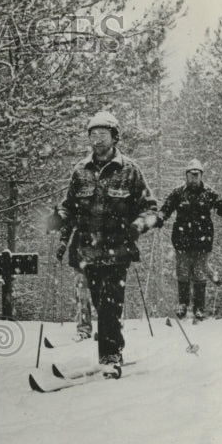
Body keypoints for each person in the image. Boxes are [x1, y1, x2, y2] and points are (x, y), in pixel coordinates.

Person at [56, 111, 158, 378]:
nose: (98, 140)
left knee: (111, 305)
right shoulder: (80, 170)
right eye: (93, 134)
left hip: (118, 251)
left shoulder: (130, 170)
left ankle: (110, 357)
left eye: (103, 134)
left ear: (115, 137)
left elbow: (151, 210)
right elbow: (69, 206)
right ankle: (113, 345)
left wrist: (137, 226)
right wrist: (58, 220)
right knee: (100, 305)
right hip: (87, 251)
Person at [156, 159, 222, 320]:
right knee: (182, 272)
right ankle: (183, 304)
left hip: (202, 240)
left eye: (197, 175)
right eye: (191, 175)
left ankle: (199, 307)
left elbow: (221, 208)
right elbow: (166, 208)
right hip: (182, 239)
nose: (194, 178)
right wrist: (161, 217)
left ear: (201, 176)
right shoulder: (178, 193)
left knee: (199, 273)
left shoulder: (209, 193)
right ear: (186, 175)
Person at [55, 229, 93, 341]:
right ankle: (84, 328)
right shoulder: (77, 215)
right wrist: (63, 244)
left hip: (100, 257)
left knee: (102, 296)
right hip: (79, 258)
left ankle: (106, 330)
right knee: (81, 295)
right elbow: (67, 224)